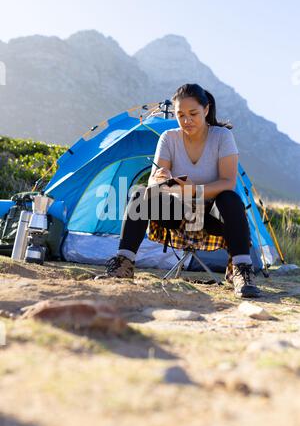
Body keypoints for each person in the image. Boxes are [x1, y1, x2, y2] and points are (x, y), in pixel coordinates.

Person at [95, 83, 261, 298]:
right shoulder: (169, 138)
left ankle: (242, 271)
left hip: (211, 214)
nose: (186, 120)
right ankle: (123, 264)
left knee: (231, 198)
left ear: (206, 110)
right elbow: (156, 181)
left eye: (193, 114)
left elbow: (228, 182)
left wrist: (194, 190)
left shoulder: (222, 137)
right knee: (140, 193)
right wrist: (160, 179)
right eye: (180, 115)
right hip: (176, 212)